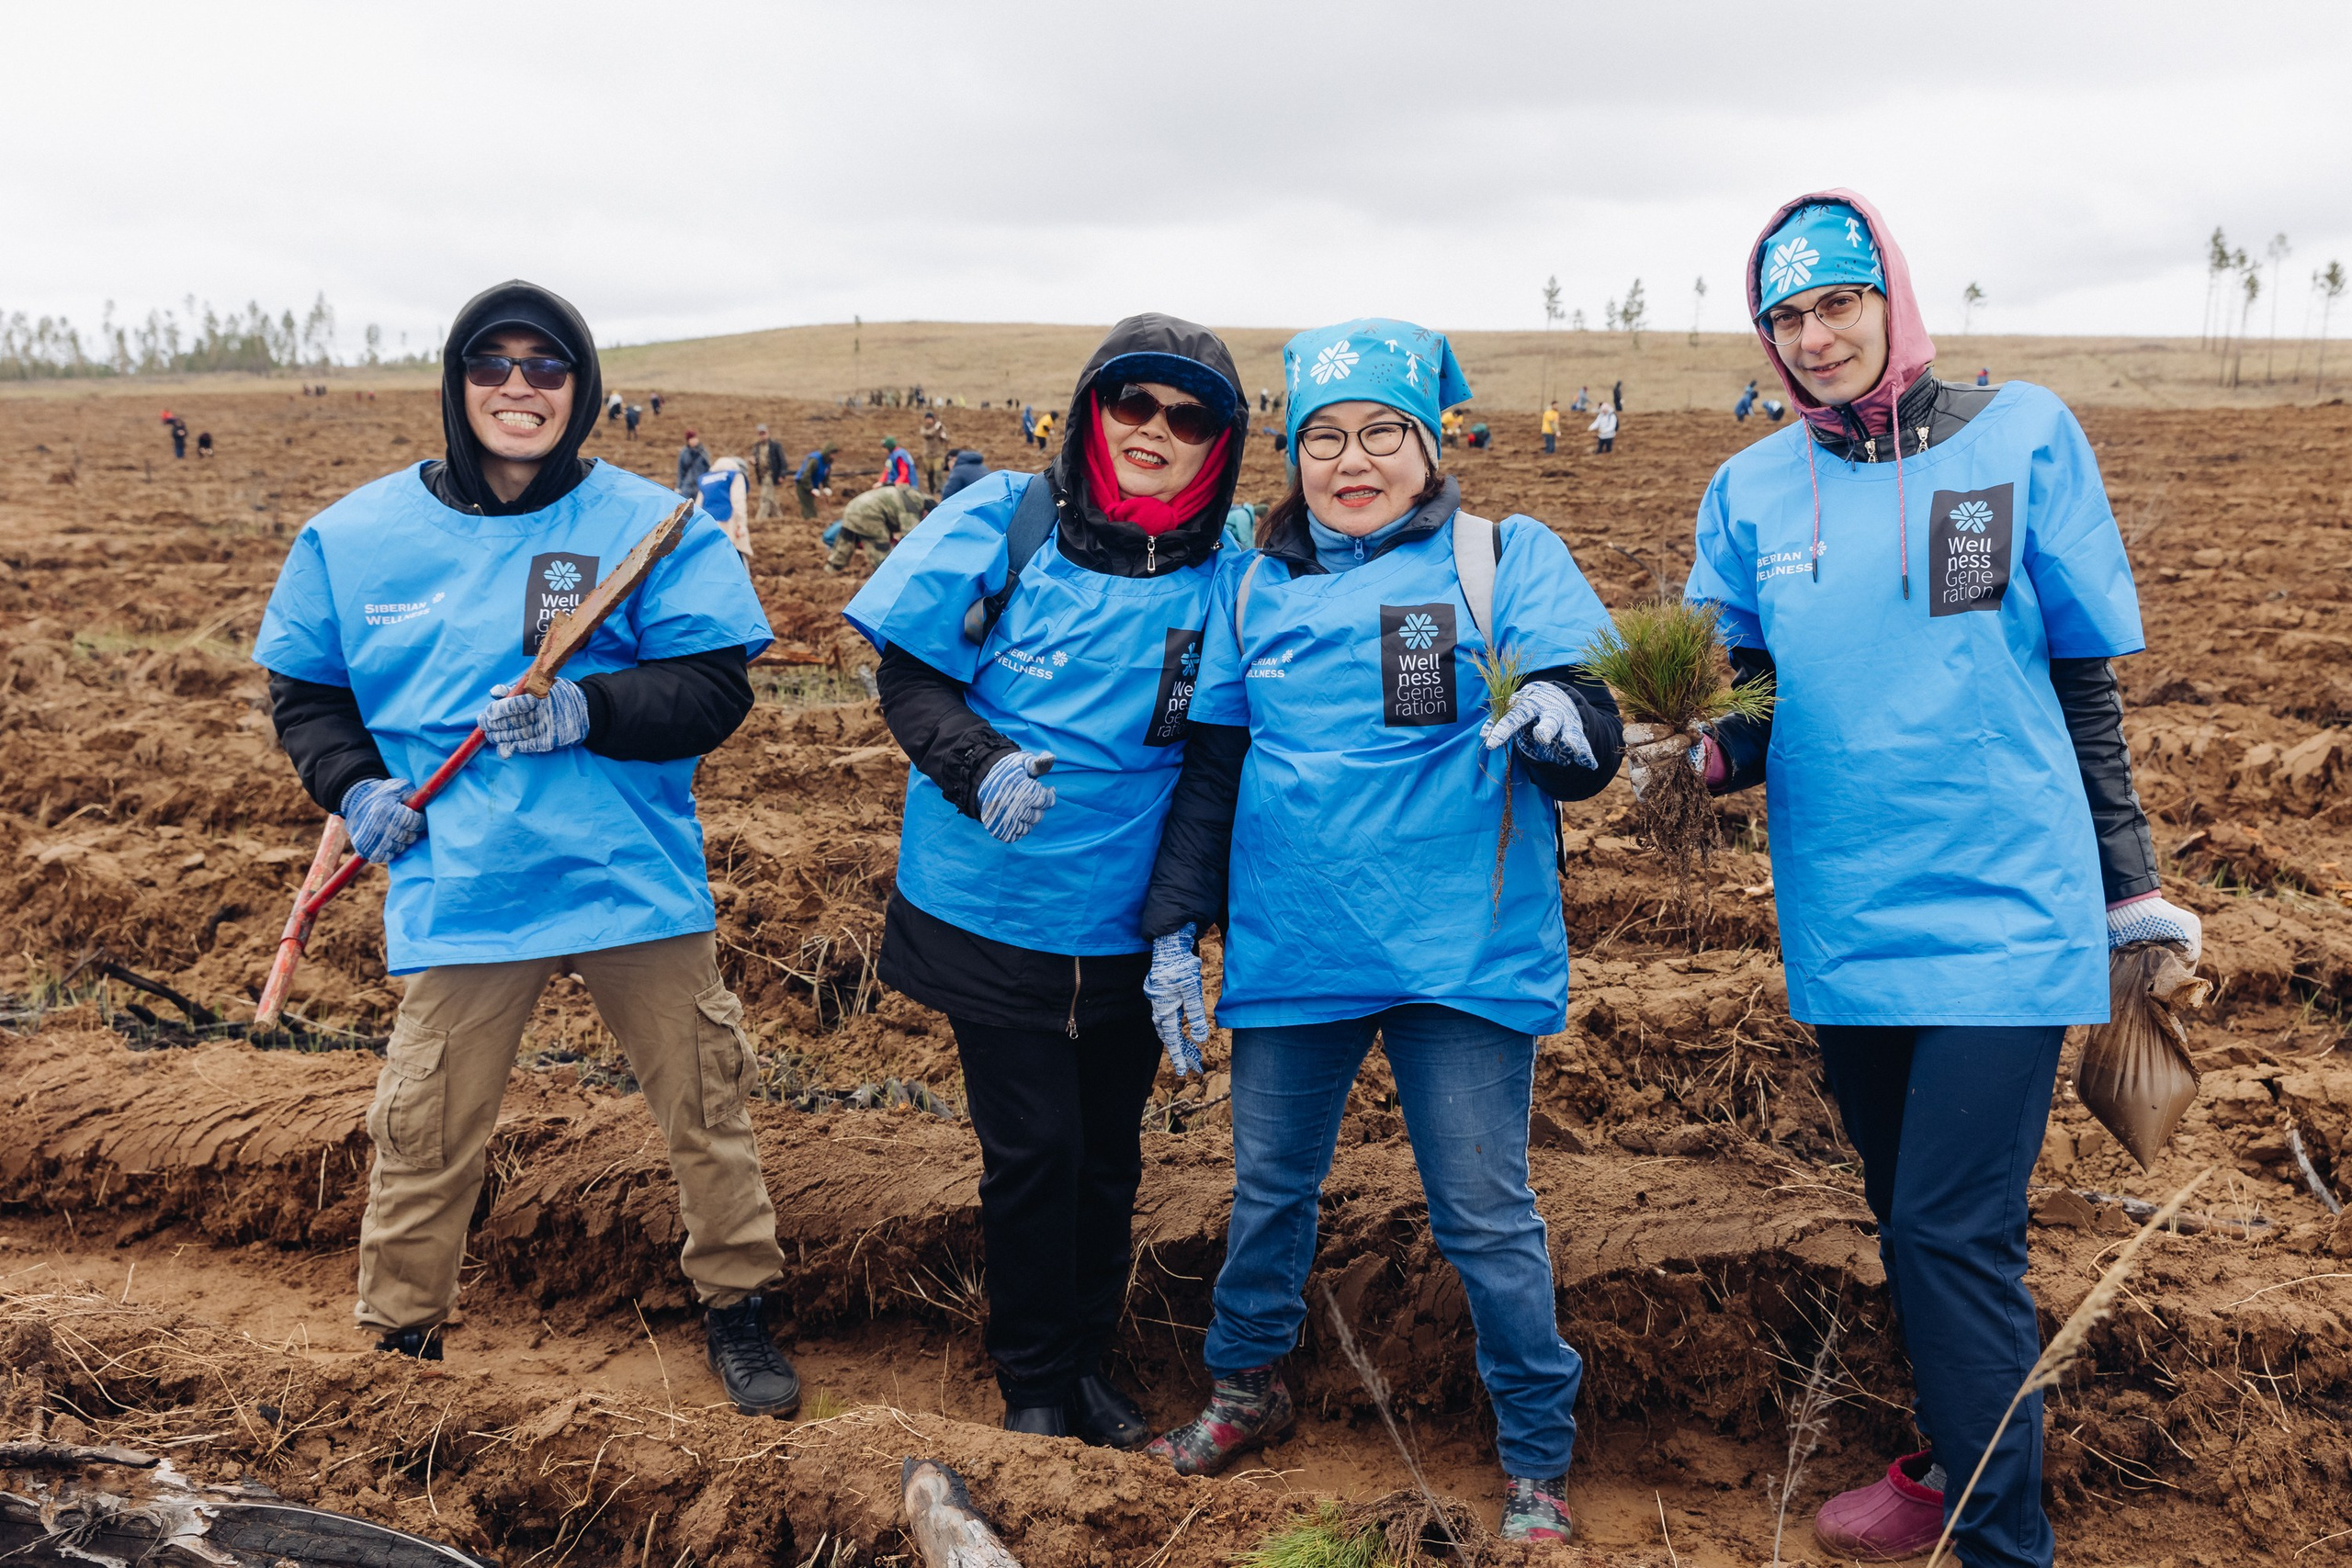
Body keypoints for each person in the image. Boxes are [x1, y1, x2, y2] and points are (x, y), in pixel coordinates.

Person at [1666, 191, 2199, 1568]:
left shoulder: (2023, 433)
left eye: (1839, 301)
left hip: (2007, 907)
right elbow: (1753, 692)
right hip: (1846, 916)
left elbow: (2082, 682)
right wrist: (1708, 756)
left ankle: (2000, 1538)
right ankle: (1952, 1461)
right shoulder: (1752, 489)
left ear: (1890, 296)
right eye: (1787, 315)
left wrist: (2129, 888)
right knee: (1912, 1218)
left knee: (1953, 1230)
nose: (1817, 334)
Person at [250, 279, 799, 1418]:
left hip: (629, 877)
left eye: (545, 368)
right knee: (427, 1122)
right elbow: (304, 693)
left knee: (705, 1102)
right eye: (493, 366)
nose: (518, 387)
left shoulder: (647, 527)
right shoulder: (354, 540)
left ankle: (739, 1306)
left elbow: (712, 689)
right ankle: (401, 1341)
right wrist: (355, 792)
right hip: (463, 884)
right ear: (457, 384)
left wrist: (587, 711)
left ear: (579, 390)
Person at [1138, 318, 1623, 1548]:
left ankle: (1534, 1454)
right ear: (1295, 454)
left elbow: (1588, 712)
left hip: (1463, 953)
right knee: (1268, 1190)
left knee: (1483, 1212)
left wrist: (1569, 718)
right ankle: (1247, 1387)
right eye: (1325, 439)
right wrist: (1174, 924)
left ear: (1427, 440)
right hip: (1298, 948)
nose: (1353, 462)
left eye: (1381, 435)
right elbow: (1215, 762)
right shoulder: (1252, 576)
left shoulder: (1497, 555)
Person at [842, 314, 1248, 1445]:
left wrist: (1178, 924)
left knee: (1110, 1160)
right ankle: (1031, 1384)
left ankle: (1085, 1368)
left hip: (1125, 914)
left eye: (1188, 416)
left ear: (1219, 442)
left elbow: (1222, 754)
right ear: (1091, 410)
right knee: (1035, 1156)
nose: (1155, 431)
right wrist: (980, 768)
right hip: (991, 904)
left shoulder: (1233, 561)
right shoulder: (1004, 519)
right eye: (1134, 405)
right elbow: (910, 677)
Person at [825, 481, 929, 572]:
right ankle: (885, 576)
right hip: (869, 514)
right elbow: (909, 538)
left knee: (845, 542)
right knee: (881, 551)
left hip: (854, 507)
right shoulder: (913, 506)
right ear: (926, 512)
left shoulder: (907, 494)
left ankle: (831, 570)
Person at [698, 456, 752, 558]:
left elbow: (698, 505)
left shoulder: (705, 479)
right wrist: (741, 524)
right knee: (735, 555)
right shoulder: (734, 476)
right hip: (728, 521)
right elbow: (738, 501)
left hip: (709, 524)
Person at [752, 424, 789, 520]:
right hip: (763, 476)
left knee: (764, 497)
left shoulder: (775, 446)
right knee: (770, 498)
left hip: (771, 475)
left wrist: (782, 475)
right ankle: (778, 517)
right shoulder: (757, 447)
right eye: (760, 434)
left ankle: (760, 518)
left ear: (768, 433)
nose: (762, 436)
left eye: (764, 433)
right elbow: (757, 460)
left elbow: (783, 462)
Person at [796, 444, 838, 519]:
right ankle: (809, 523)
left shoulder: (827, 463)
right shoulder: (815, 461)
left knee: (812, 507)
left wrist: (826, 487)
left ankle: (812, 519)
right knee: (808, 508)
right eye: (832, 454)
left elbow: (825, 477)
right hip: (803, 484)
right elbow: (805, 476)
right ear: (827, 453)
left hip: (813, 484)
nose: (834, 457)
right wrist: (811, 489)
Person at [921, 411, 951, 492]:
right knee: (930, 474)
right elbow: (927, 434)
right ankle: (931, 489)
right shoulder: (924, 428)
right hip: (928, 455)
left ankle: (941, 489)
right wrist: (936, 428)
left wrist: (943, 436)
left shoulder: (940, 428)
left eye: (930, 419)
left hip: (938, 455)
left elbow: (947, 438)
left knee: (938, 473)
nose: (928, 421)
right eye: (927, 419)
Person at [676, 430, 710, 496]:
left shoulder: (703, 452)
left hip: (700, 486)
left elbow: (708, 469)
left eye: (695, 438)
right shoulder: (684, 453)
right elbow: (681, 471)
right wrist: (679, 487)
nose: (694, 441)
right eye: (691, 439)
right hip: (687, 487)